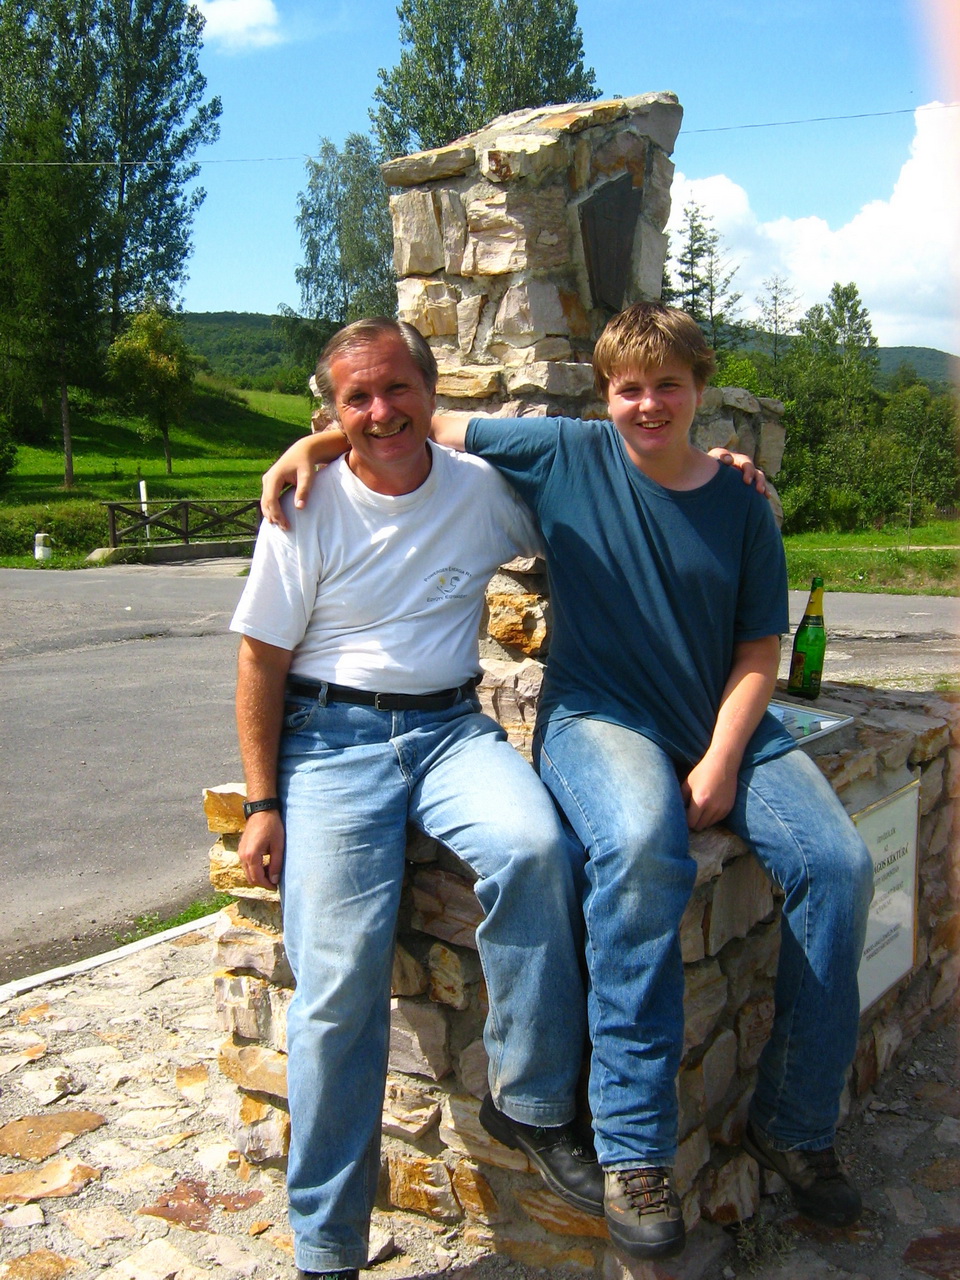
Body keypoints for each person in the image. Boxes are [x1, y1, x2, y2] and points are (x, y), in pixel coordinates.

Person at [262, 303, 874, 1263]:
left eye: (668, 384)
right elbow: (418, 419)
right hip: (603, 719)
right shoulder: (567, 454)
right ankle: (633, 1149)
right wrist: (315, 441)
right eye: (629, 386)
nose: (648, 404)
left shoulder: (742, 501)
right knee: (636, 849)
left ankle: (794, 1125)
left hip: (725, 723)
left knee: (839, 865)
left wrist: (718, 759)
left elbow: (762, 646)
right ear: (603, 393)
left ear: (700, 391)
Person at [232, 318, 603, 1280]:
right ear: (330, 412)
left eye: (397, 388)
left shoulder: (482, 492)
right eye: (355, 399)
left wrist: (717, 470)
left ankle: (526, 1098)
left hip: (448, 730)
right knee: (334, 998)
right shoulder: (305, 506)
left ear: (432, 393)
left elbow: (594, 498)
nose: (379, 411)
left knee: (536, 851)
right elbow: (261, 659)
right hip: (330, 744)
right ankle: (327, 1249)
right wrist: (265, 801)